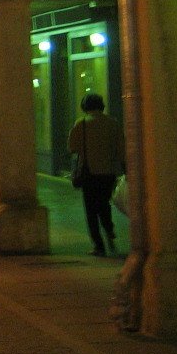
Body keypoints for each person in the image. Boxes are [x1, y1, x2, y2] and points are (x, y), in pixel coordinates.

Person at [67, 93, 125, 257]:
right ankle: (109, 228)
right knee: (105, 204)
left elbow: (72, 147)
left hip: (89, 173)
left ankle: (98, 245)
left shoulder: (82, 123)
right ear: (101, 105)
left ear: (85, 107)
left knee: (91, 209)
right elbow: (121, 148)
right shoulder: (113, 123)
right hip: (108, 172)